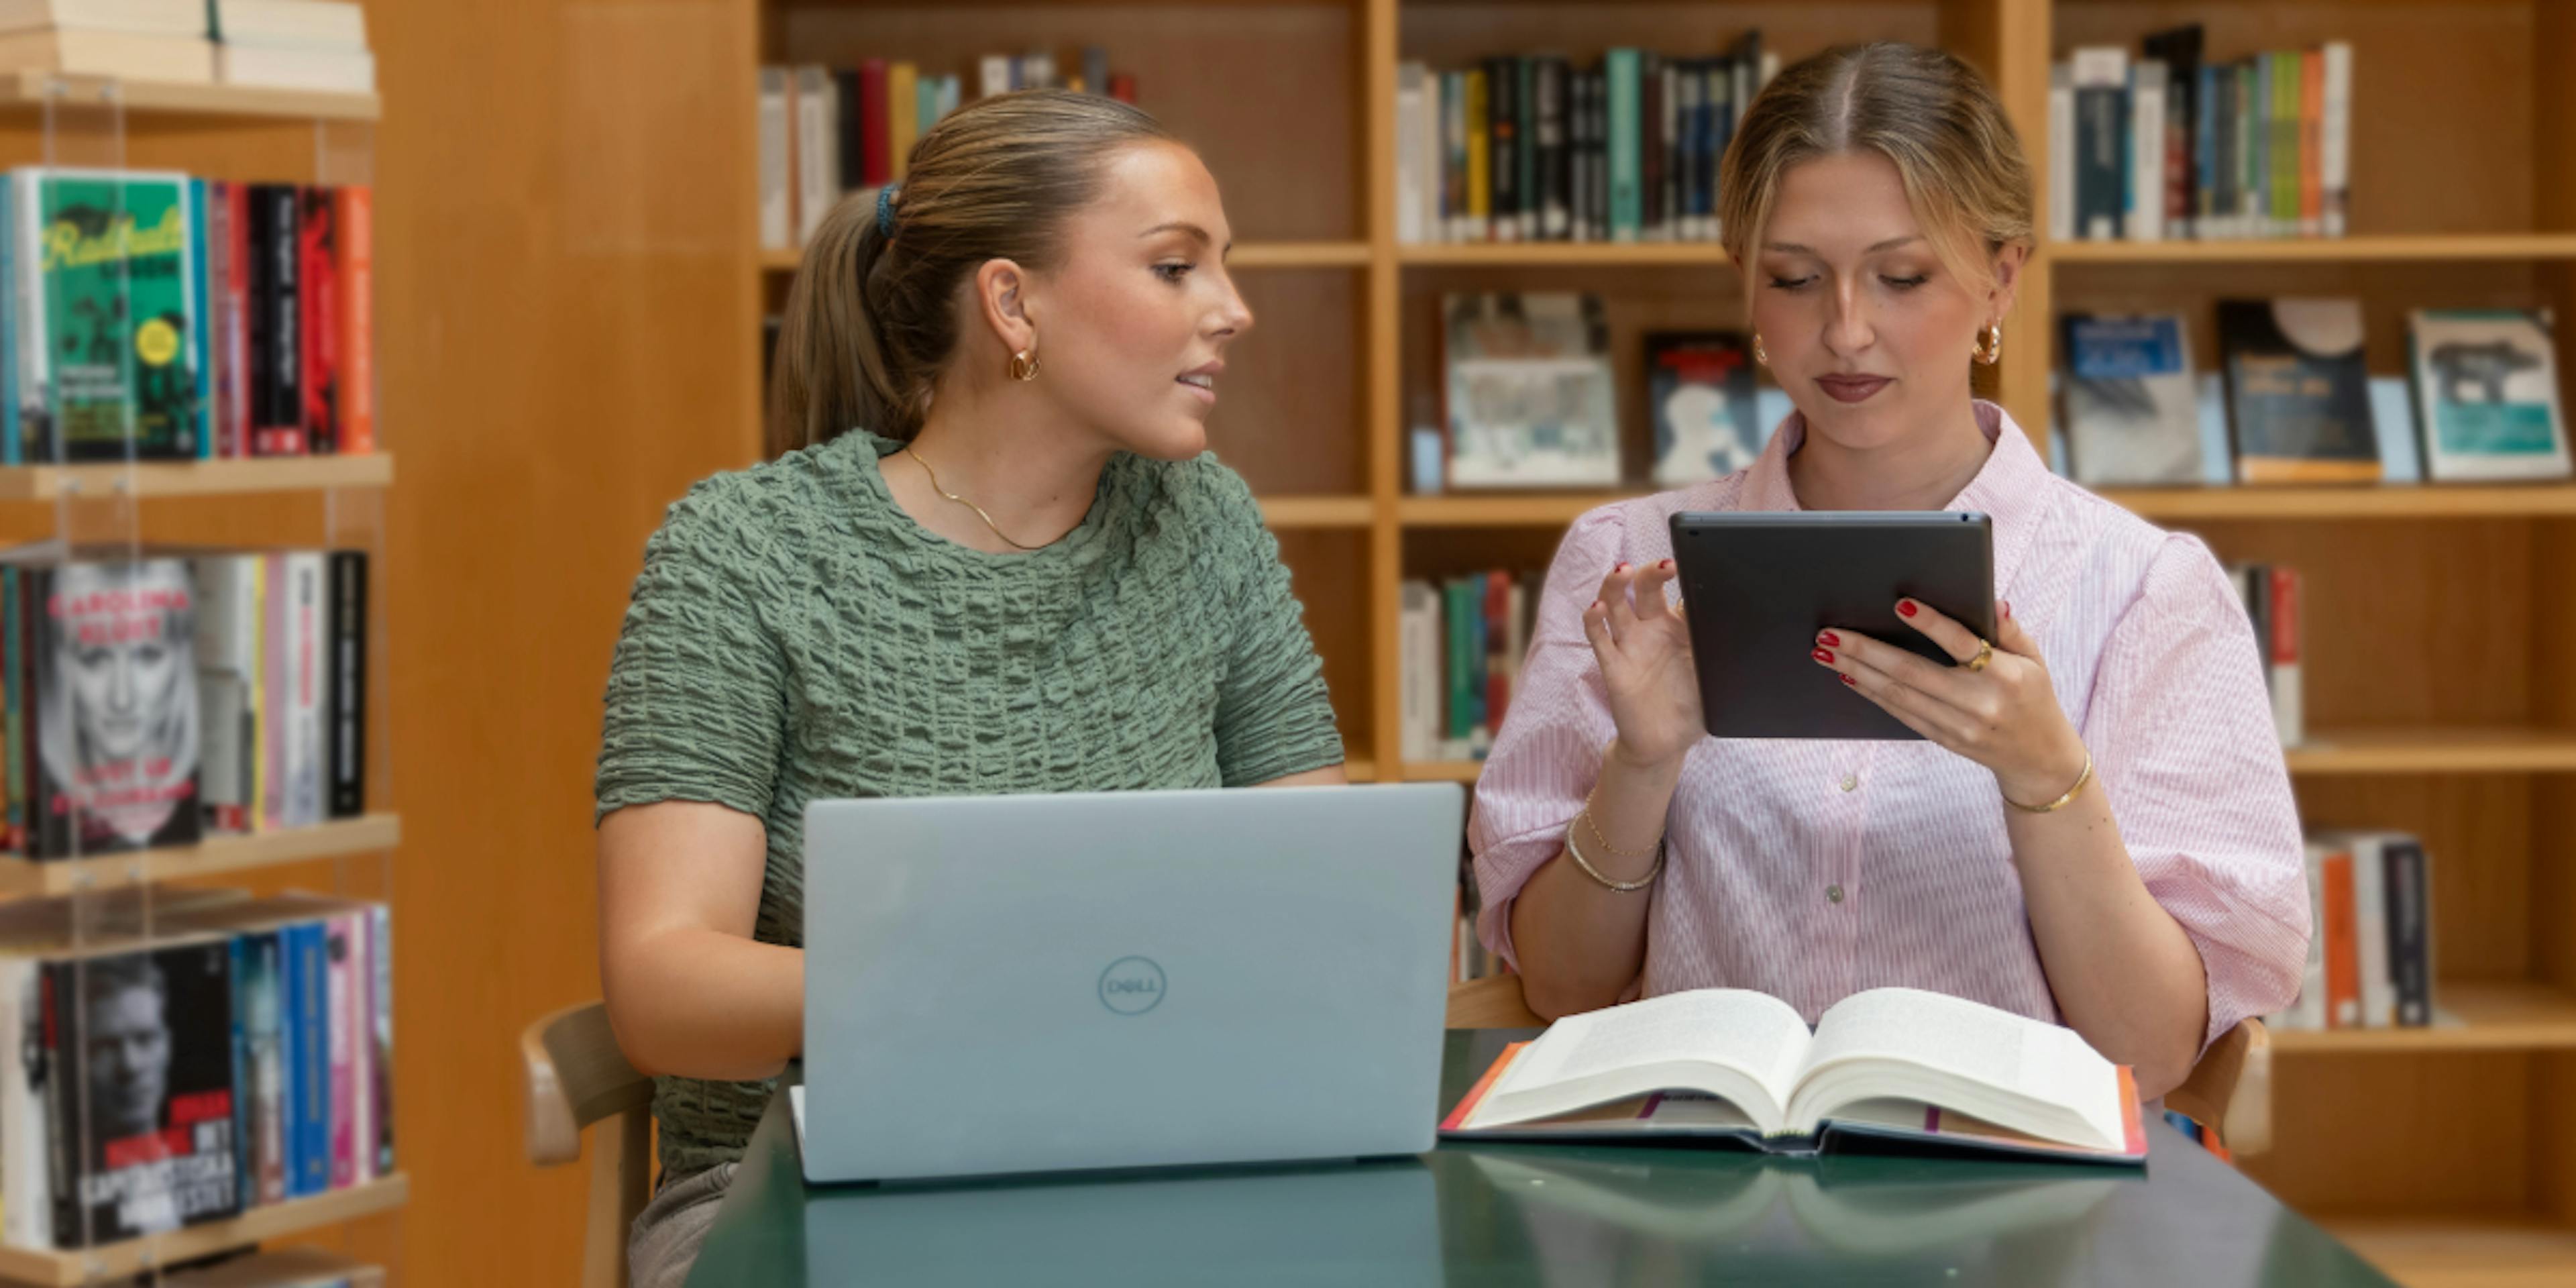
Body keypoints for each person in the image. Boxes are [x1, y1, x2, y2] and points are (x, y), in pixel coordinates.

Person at [595, 90, 1346, 1287]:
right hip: (796, 1183)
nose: (1233, 311)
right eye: (1174, 268)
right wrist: (1018, 984)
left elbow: (1328, 908)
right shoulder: (742, 549)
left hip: (1156, 1168)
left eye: (1225, 269)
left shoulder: (1209, 526)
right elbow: (665, 986)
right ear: (1012, 302)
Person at [1470, 42, 2309, 1104]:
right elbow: (1561, 991)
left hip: (2012, 1217)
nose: (1846, 331)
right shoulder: (1628, 563)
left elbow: (2150, 1057)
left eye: (1902, 277)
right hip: (1704, 1200)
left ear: (2002, 277)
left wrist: (2049, 779)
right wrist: (1640, 766)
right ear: (1746, 286)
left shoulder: (2145, 590)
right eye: (1794, 278)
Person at [37, 558, 199, 852]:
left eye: (147, 656)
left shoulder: (204, 810)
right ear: (60, 666)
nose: (122, 699)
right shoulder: (41, 820)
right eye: (94, 658)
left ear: (181, 661)